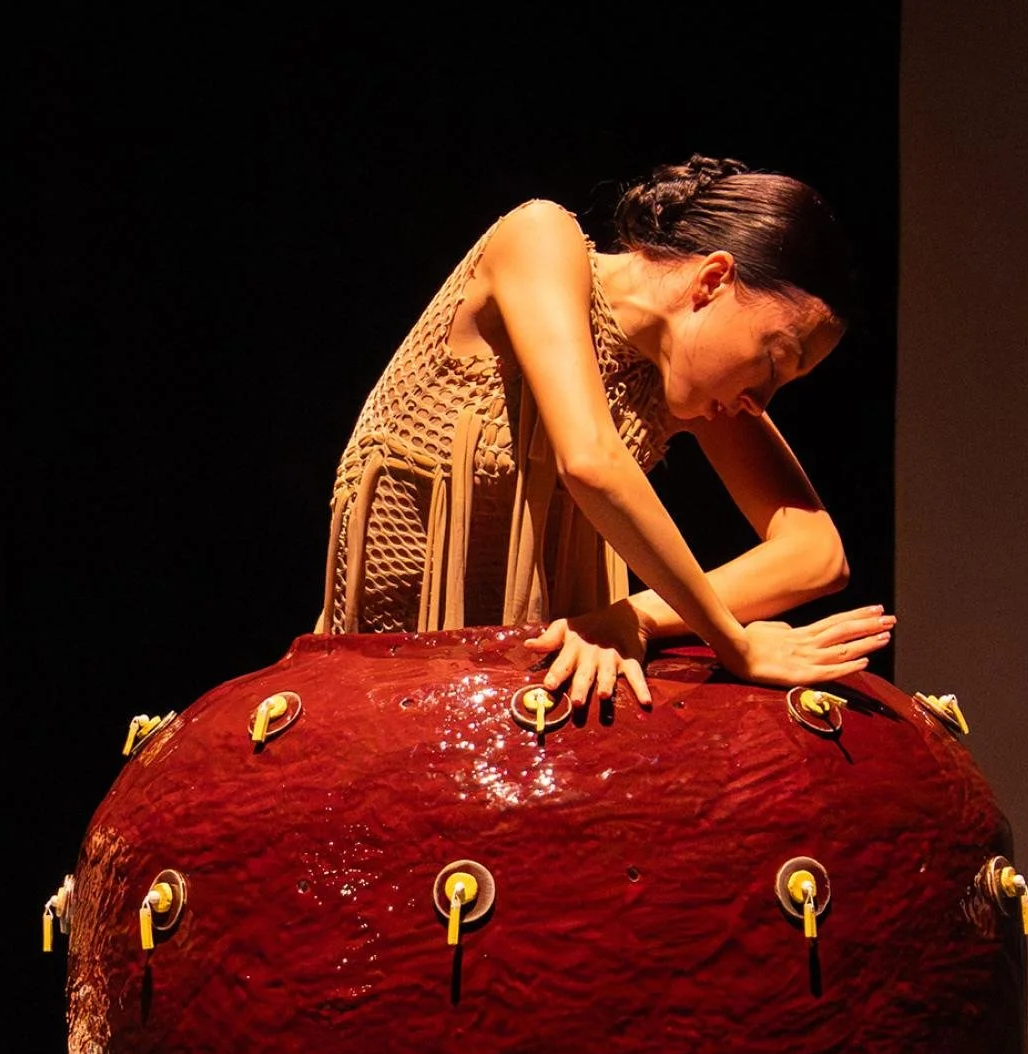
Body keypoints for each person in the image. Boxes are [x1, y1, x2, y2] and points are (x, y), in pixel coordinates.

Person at [317, 154, 896, 710]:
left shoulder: (693, 390)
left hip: (534, 690)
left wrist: (637, 615)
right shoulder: (539, 238)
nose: (760, 400)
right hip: (384, 672)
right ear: (714, 280)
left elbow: (816, 555)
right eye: (773, 361)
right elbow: (591, 461)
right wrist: (732, 641)